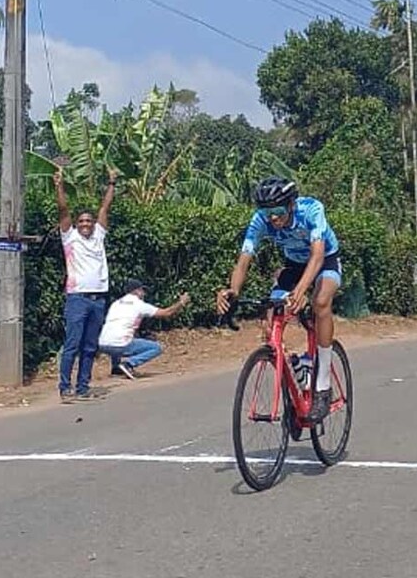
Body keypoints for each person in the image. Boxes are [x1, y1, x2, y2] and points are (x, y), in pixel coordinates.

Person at [216, 176, 341, 423]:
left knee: (321, 302)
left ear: (292, 204)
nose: (273, 218)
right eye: (267, 212)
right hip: (293, 265)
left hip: (325, 260)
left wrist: (302, 290)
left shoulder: (311, 210)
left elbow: (317, 257)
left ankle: (323, 385)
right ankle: (295, 372)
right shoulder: (260, 220)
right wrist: (233, 291)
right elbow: (244, 259)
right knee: (271, 319)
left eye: (278, 211)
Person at [56, 168, 117, 402]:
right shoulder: (69, 238)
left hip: (98, 299)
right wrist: (59, 186)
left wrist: (112, 182)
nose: (85, 224)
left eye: (88, 221)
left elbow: (105, 207)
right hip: (77, 298)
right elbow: (63, 210)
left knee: (90, 347)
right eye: (81, 221)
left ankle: (83, 386)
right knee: (72, 344)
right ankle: (65, 387)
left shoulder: (99, 236)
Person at [98, 279, 190, 380]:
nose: (144, 293)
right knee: (156, 348)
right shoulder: (139, 304)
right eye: (142, 290)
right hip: (120, 345)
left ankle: (116, 369)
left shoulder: (116, 303)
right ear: (137, 291)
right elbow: (166, 313)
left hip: (102, 344)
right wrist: (181, 303)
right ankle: (128, 364)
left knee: (119, 334)